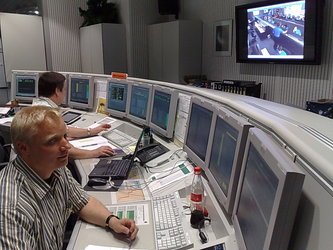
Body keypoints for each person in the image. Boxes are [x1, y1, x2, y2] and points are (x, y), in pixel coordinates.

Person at [0, 106, 138, 249]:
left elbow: (82, 201)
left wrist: (112, 221)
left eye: (64, 136)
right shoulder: (11, 209)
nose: (66, 145)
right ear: (23, 148)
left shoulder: (57, 169)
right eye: (53, 141)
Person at [33, 72, 114, 159]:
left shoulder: (39, 106)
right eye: (64, 90)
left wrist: (91, 131)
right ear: (57, 91)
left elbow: (66, 129)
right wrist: (94, 152)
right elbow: (64, 149)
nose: (65, 93)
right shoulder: (48, 115)